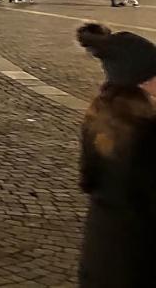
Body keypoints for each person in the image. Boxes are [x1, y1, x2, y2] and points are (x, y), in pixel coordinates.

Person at [74, 23, 156, 286]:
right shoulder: (146, 134)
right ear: (142, 82)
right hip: (138, 260)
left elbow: (89, 178)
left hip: (103, 252)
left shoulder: (101, 118)